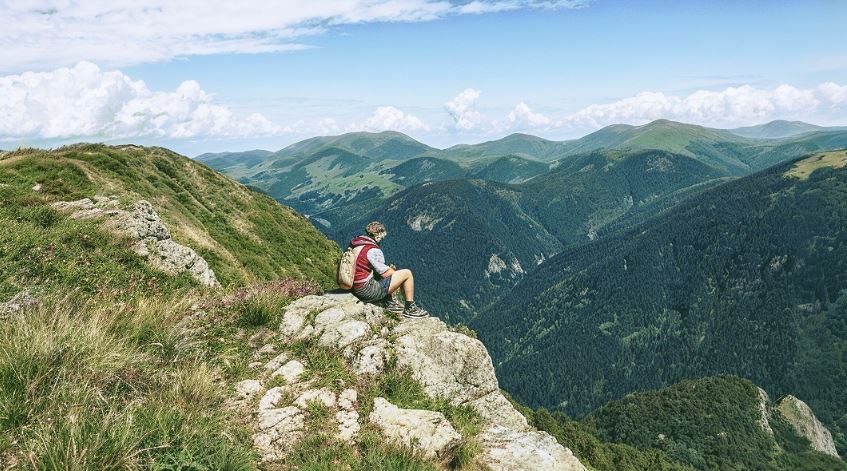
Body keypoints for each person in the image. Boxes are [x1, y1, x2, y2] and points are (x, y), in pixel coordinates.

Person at [349, 221, 429, 318]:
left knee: (378, 272)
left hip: (355, 288)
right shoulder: (373, 250)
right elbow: (386, 274)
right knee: (407, 274)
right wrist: (396, 275)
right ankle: (410, 308)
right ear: (379, 235)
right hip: (366, 291)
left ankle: (387, 301)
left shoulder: (357, 245)